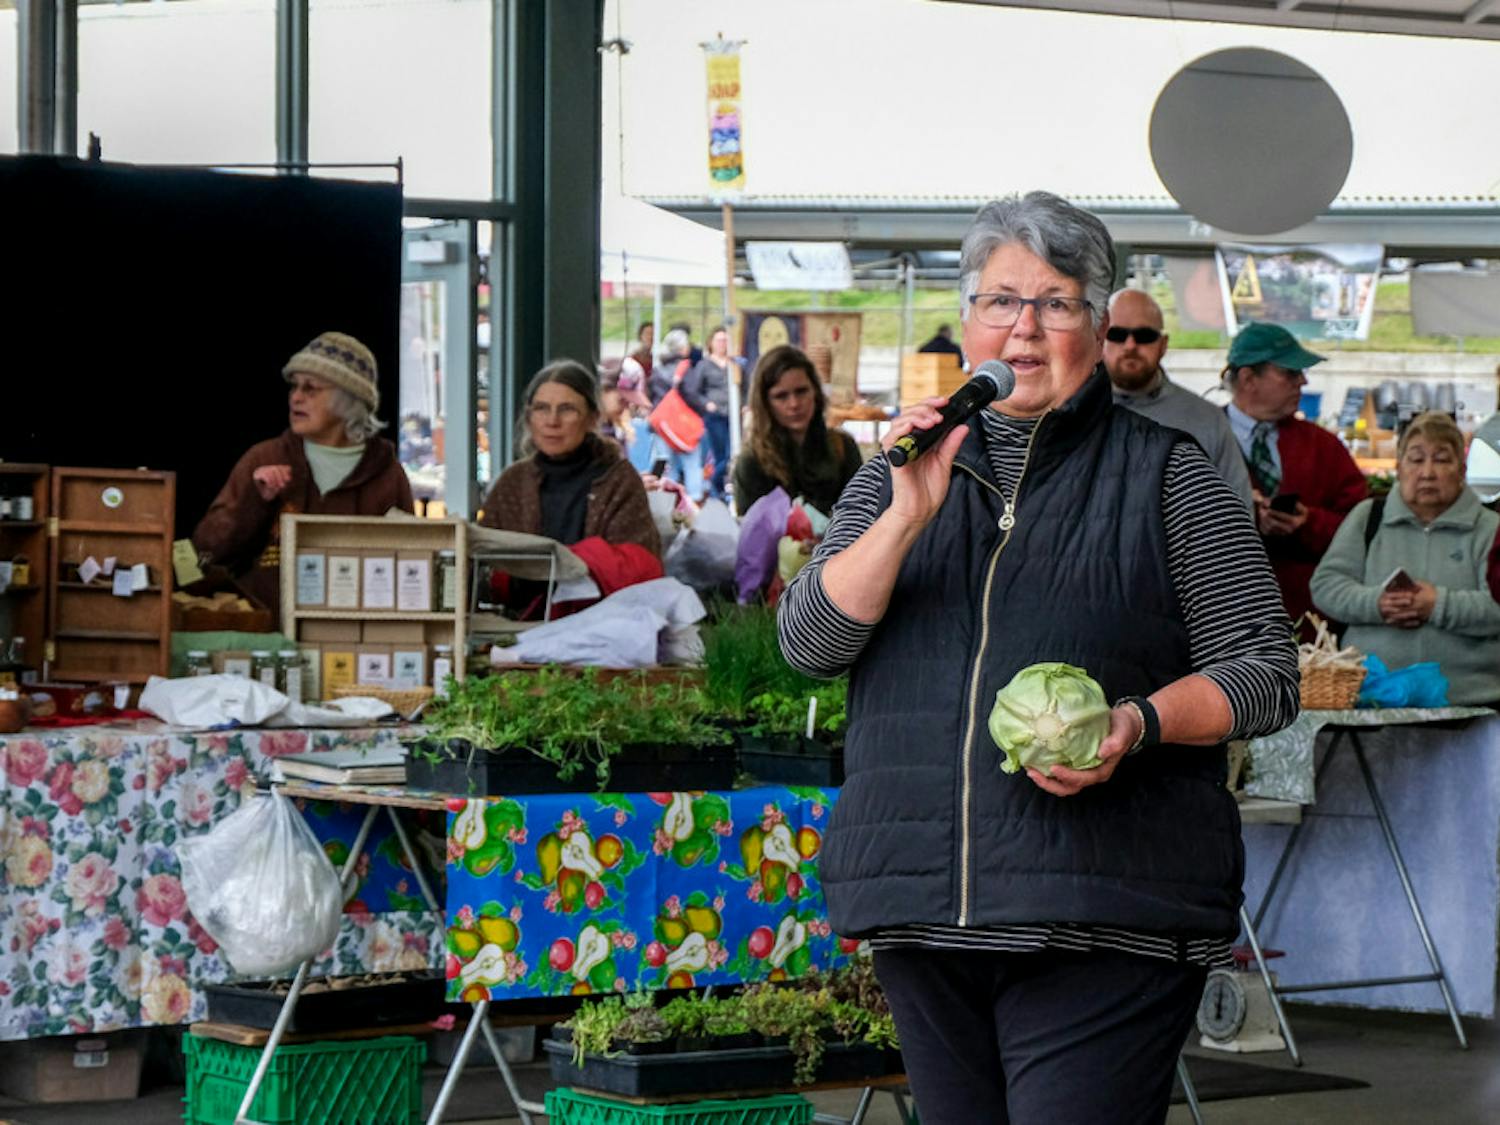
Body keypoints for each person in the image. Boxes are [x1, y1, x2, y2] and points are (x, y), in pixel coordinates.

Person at [777, 191, 1299, 1124]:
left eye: (1056, 303)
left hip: (1106, 913)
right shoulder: (898, 470)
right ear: (968, 321)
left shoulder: (1169, 474)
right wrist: (904, 515)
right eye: (1000, 301)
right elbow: (812, 643)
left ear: (1096, 328)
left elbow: (1264, 670)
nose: (1023, 327)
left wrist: (1137, 723)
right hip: (924, 909)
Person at [193, 331, 413, 625]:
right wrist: (255, 501)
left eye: (311, 388)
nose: (296, 397)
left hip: (353, 636)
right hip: (269, 637)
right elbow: (204, 554)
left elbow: (411, 565)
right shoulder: (264, 458)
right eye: (294, 386)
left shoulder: (386, 473)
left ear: (348, 398)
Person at [1311, 412, 1500, 705]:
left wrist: (1438, 605)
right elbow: (1325, 586)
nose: (1427, 473)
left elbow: (1496, 604)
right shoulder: (1367, 517)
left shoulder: (1490, 528)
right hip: (1369, 698)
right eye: (1416, 459)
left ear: (1461, 470)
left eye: (1442, 460)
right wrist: (1377, 603)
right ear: (1399, 468)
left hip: (1470, 700)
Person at [479, 360, 661, 614]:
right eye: (541, 408)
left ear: (592, 418)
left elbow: (639, 568)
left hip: (603, 624)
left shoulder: (618, 480)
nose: (552, 421)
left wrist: (564, 563)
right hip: (519, 625)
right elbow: (482, 567)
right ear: (530, 418)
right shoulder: (513, 483)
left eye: (567, 409)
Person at [1225, 321, 1367, 635]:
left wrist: (1309, 523)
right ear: (1248, 378)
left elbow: (1364, 528)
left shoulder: (1324, 447)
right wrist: (1242, 513)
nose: (1303, 381)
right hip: (1224, 625)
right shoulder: (1200, 440)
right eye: (1290, 372)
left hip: (1313, 633)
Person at [1103, 289, 1253, 510]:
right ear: (1098, 337)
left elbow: (1238, 512)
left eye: (1144, 336)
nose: (1130, 345)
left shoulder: (1207, 420)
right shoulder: (1069, 413)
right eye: (1117, 334)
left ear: (1163, 344)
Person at [732, 344, 863, 517]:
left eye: (801, 392)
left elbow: (862, 515)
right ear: (765, 403)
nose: (794, 404)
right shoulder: (752, 462)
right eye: (781, 396)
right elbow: (750, 528)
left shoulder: (843, 447)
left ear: (815, 392)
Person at [648, 329, 706, 500]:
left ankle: (667, 501)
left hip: (661, 426)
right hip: (682, 425)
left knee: (667, 466)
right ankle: (694, 501)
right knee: (692, 464)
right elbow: (692, 395)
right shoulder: (685, 369)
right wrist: (703, 410)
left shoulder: (657, 370)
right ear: (682, 349)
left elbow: (652, 396)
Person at [683, 327, 735, 502]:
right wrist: (706, 403)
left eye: (725, 341)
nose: (722, 344)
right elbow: (694, 391)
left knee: (732, 453)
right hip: (715, 416)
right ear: (711, 343)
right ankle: (715, 487)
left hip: (733, 414)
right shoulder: (704, 365)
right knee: (720, 455)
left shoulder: (733, 364)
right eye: (719, 340)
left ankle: (719, 486)